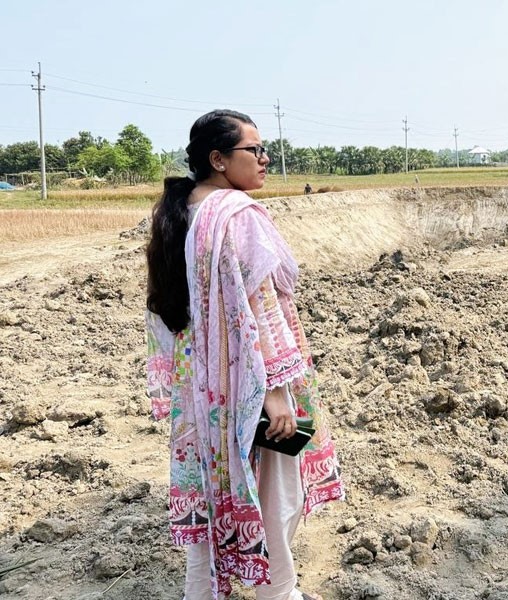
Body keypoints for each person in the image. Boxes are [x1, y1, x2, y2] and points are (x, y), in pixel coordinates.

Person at [145, 109, 343, 600]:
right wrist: (275, 392)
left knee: (213, 495)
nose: (264, 158)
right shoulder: (239, 216)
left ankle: (204, 592)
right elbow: (260, 310)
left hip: (200, 388)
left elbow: (165, 312)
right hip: (250, 383)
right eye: (253, 150)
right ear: (218, 159)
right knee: (276, 494)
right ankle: (280, 594)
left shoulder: (178, 211)